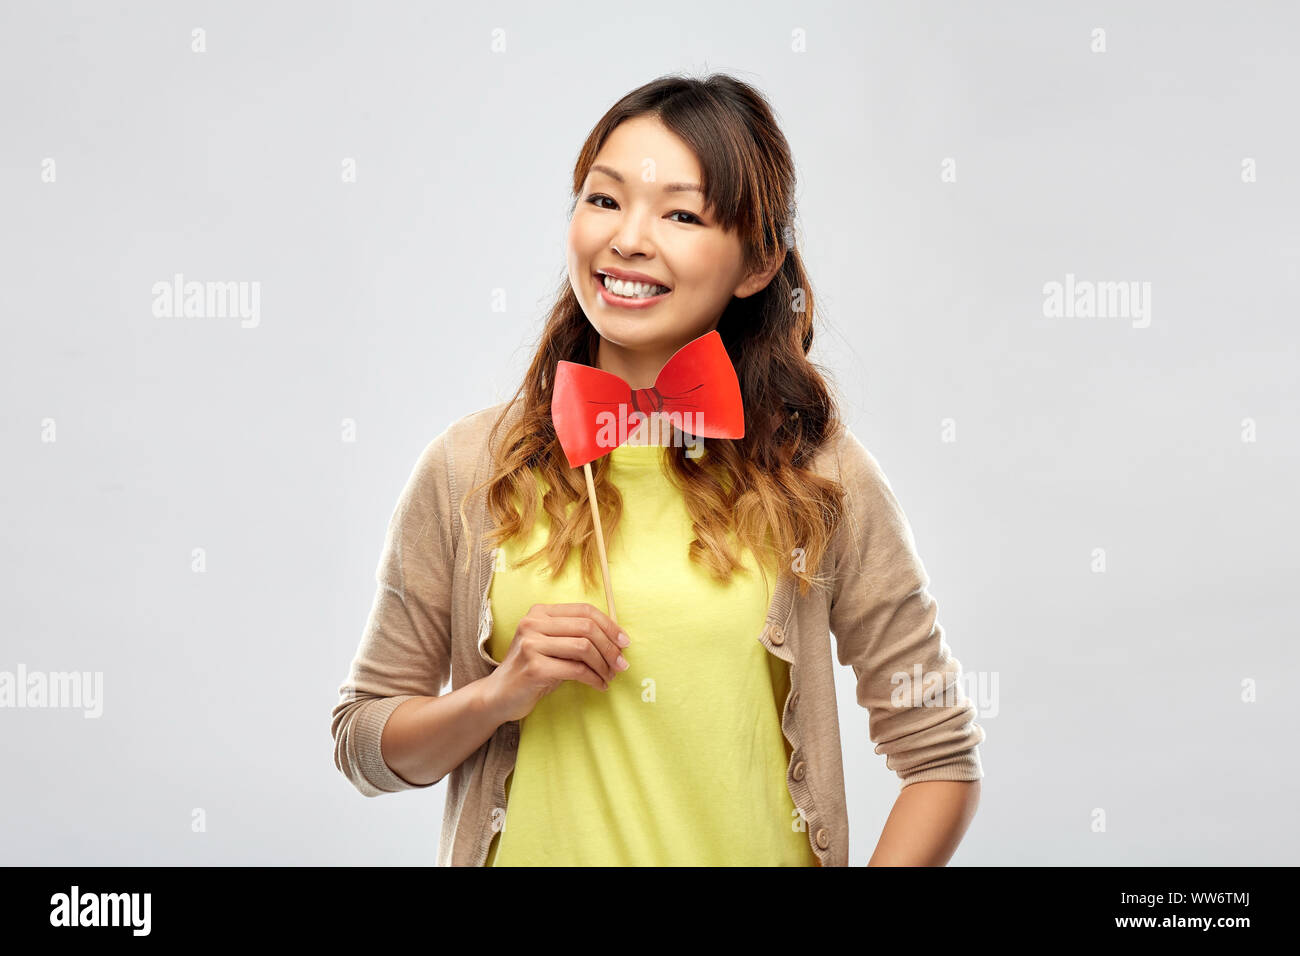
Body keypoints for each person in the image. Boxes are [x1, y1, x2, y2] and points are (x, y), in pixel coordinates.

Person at [332, 73, 985, 866]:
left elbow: (940, 757)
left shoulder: (822, 479)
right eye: (604, 200)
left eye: (681, 214)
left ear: (756, 263)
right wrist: (497, 694)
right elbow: (365, 743)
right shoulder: (468, 468)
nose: (629, 239)